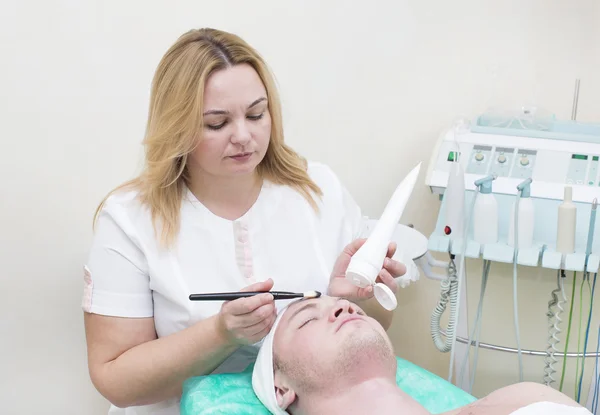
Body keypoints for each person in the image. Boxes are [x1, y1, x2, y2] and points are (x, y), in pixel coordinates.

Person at [81, 27, 407, 414]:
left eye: (256, 114)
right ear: (177, 125)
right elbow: (115, 381)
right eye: (217, 123)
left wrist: (357, 298)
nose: (244, 136)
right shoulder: (131, 219)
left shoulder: (317, 188)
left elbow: (374, 329)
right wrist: (220, 335)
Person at [252, 295, 591, 415]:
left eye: (350, 306)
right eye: (308, 318)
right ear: (281, 389)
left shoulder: (524, 398)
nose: (342, 306)